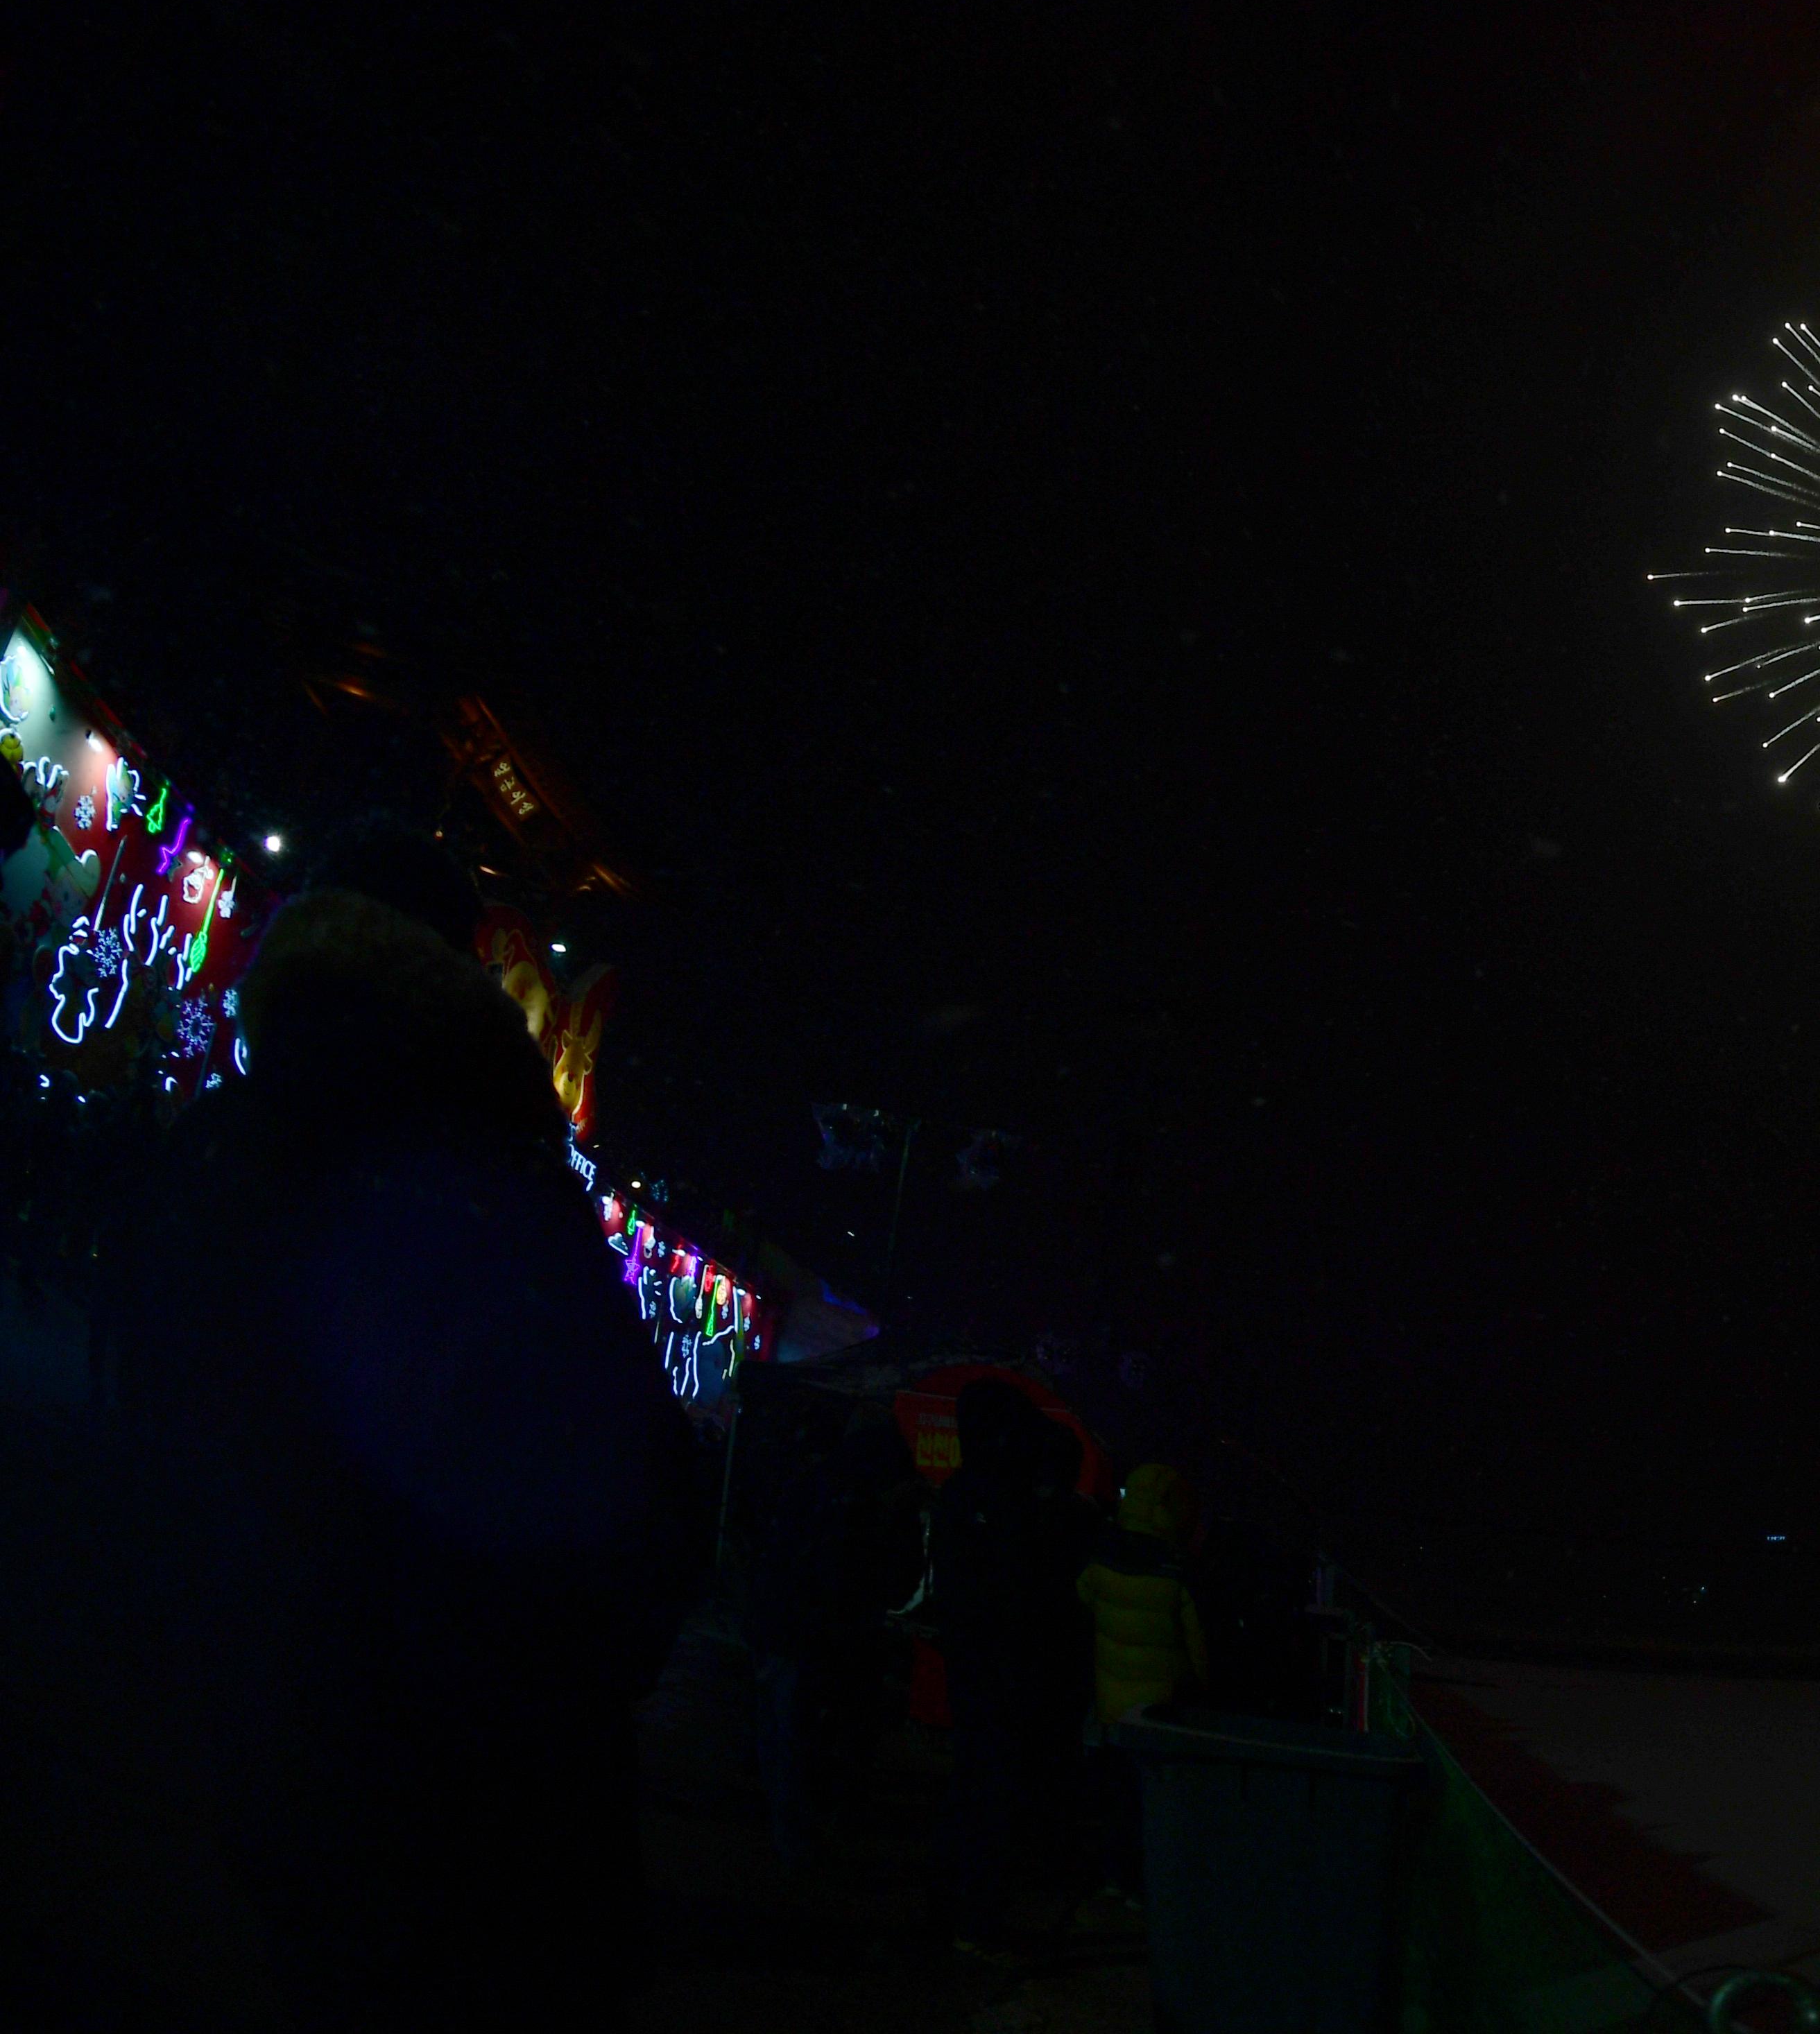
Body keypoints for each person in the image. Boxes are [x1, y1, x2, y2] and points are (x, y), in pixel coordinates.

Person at [117, 868, 714, 2028]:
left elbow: (159, 1441)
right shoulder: (495, 1184)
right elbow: (639, 1489)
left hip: (284, 1746)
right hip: (499, 1773)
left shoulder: (220, 1159)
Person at [926, 1376, 1094, 1958]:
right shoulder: (1014, 1503)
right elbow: (1032, 1594)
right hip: (1011, 1670)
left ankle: (962, 1909)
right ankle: (975, 1913)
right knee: (993, 1789)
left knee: (977, 1784)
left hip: (980, 1667)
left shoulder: (963, 1496)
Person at [746, 1399, 921, 1874]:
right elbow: (896, 1576)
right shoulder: (884, 1493)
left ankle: (795, 1836)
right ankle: (813, 1830)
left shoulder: (816, 1482)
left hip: (794, 1625)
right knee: (818, 1733)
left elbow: (779, 1552)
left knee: (789, 1734)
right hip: (834, 1630)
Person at [1075, 1459, 1210, 1913]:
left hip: (1112, 1708)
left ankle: (1113, 1878)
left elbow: (1082, 1608)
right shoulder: (1176, 1573)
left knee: (1116, 1800)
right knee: (1153, 1804)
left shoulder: (1102, 1559)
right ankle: (1145, 1887)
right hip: (1161, 1712)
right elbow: (1199, 1650)